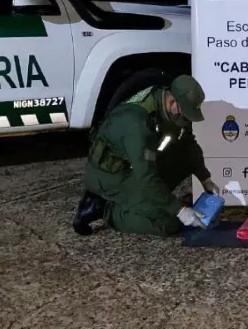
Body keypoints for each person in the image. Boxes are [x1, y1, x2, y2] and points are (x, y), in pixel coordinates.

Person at [72, 74, 220, 236]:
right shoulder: (138, 125)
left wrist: (206, 179)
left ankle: (144, 202)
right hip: (111, 176)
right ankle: (105, 208)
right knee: (167, 223)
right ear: (172, 102)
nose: (185, 120)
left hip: (134, 165)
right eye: (185, 115)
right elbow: (146, 175)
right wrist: (179, 210)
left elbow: (188, 143)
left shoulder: (165, 104)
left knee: (183, 160)